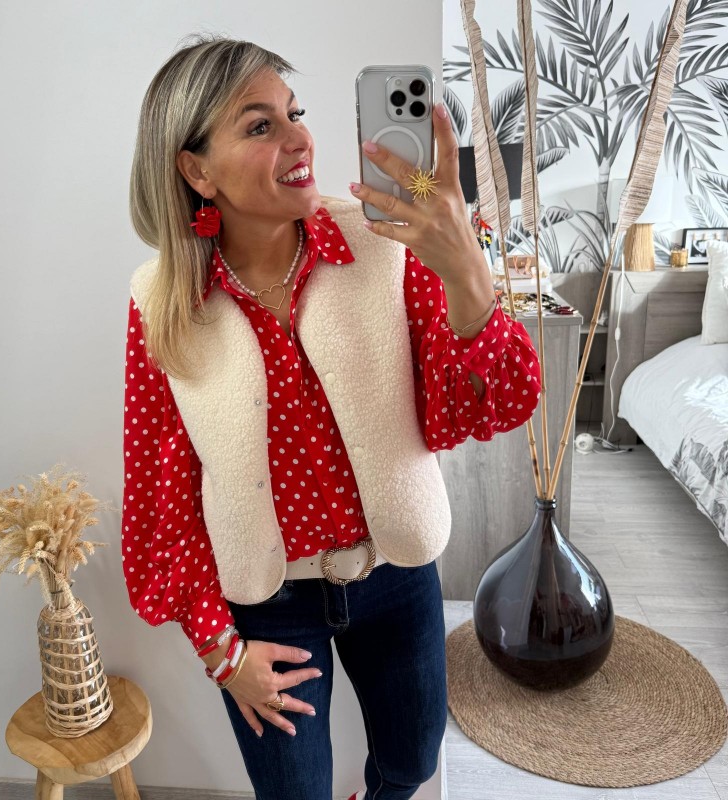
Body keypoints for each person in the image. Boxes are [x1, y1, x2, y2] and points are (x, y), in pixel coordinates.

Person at [122, 33, 542, 800]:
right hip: (268, 606)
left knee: (412, 765)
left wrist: (469, 277)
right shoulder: (162, 304)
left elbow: (483, 408)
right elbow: (162, 495)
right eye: (260, 125)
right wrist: (221, 652)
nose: (299, 138)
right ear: (195, 170)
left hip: (395, 575)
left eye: (296, 113)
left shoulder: (383, 245)